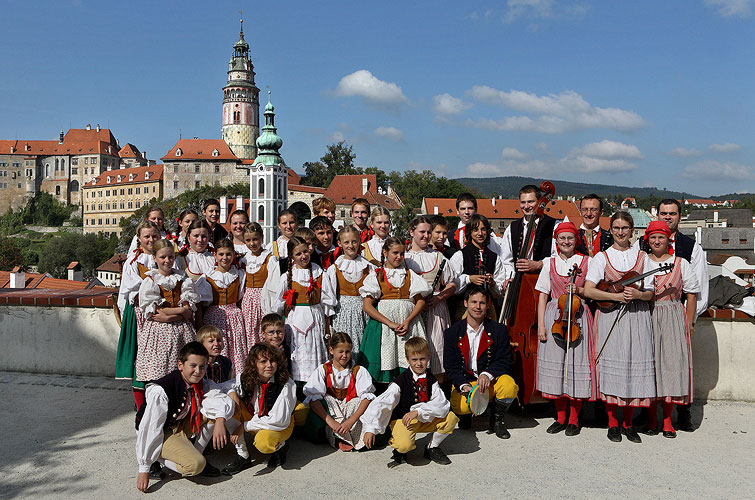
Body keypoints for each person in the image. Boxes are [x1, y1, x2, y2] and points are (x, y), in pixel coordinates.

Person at [584, 212, 656, 444]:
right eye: (616, 227)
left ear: (632, 230)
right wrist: (614, 297)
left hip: (636, 317)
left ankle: (628, 423)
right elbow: (589, 290)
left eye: (625, 228)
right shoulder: (601, 258)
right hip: (610, 316)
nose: (621, 232)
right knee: (612, 370)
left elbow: (650, 292)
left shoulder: (644, 257)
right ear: (611, 230)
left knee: (632, 369)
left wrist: (638, 294)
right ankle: (613, 423)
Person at [638, 199, 708, 432]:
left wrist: (689, 322)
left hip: (674, 316)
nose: (667, 217)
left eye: (672, 213)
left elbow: (696, 291)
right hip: (646, 314)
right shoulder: (641, 251)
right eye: (663, 213)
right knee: (649, 365)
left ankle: (680, 414)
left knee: (674, 366)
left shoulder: (691, 249)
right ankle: (647, 415)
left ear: (680, 215)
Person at [135, 342, 233, 492]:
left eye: (202, 366)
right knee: (195, 465)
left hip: (179, 424)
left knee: (215, 414)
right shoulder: (161, 391)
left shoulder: (202, 382)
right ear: (180, 365)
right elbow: (151, 428)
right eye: (193, 366)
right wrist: (144, 468)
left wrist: (220, 419)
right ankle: (158, 457)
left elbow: (219, 397)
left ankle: (196, 453)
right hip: (162, 432)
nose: (198, 371)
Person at [535, 222, 596, 436]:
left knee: (575, 367)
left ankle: (574, 418)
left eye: (570, 238)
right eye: (562, 238)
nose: (566, 242)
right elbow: (543, 294)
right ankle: (560, 417)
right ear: (556, 241)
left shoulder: (586, 262)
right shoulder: (549, 263)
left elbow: (592, 292)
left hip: (578, 317)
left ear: (576, 240)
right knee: (557, 367)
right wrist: (541, 323)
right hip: (555, 315)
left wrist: (578, 290)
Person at [361, 337, 459, 467]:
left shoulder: (431, 380)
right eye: (414, 360)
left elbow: (442, 403)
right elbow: (383, 403)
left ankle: (432, 447)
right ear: (408, 360)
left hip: (424, 418)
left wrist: (418, 412)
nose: (419, 363)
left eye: (422, 359)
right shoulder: (400, 381)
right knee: (404, 446)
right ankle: (399, 449)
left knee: (450, 418)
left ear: (428, 358)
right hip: (403, 420)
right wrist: (370, 428)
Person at [443, 286, 518, 439]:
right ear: (465, 303)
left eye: (482, 303)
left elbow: (505, 360)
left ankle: (497, 420)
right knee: (461, 406)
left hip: (490, 382)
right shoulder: (452, 332)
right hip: (467, 383)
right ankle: (466, 414)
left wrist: (487, 374)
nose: (478, 307)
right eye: (474, 302)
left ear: (488, 305)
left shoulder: (499, 330)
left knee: (509, 386)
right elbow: (450, 366)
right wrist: (464, 385)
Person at [359, 237, 432, 383]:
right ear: (385, 252)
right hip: (385, 327)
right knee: (387, 355)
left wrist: (408, 320)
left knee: (408, 355)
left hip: (408, 325)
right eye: (395, 253)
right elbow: (367, 306)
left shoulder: (409, 275)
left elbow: (420, 301)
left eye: (402, 254)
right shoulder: (377, 276)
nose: (399, 257)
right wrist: (389, 323)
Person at [222, 343, 297, 473]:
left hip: (280, 425)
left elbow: (278, 419)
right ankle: (243, 455)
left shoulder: (285, 384)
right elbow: (222, 387)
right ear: (254, 363)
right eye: (263, 361)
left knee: (263, 442)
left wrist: (244, 426)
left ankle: (281, 446)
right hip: (256, 419)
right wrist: (231, 394)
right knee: (228, 404)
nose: (269, 365)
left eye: (273, 361)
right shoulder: (247, 378)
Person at [136, 239, 200, 386]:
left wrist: (172, 316)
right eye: (162, 257)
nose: (167, 261)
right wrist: (180, 311)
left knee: (183, 369)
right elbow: (156, 311)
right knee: (160, 371)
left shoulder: (182, 279)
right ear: (154, 258)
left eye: (170, 257)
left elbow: (189, 310)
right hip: (158, 334)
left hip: (182, 332)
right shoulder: (151, 280)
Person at [273, 236, 333, 385]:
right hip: (295, 321)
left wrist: (327, 325)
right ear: (292, 256)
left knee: (316, 352)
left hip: (315, 318)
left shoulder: (320, 273)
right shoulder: (287, 276)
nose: (303, 256)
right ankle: (297, 387)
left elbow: (328, 300)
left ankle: (316, 386)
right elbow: (278, 303)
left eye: (305, 252)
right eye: (298, 254)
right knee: (297, 354)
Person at [404, 215, 457, 381]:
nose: (426, 236)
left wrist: (439, 297)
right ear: (411, 232)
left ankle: (437, 392)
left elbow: (451, 284)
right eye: (422, 232)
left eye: (428, 232)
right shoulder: (403, 257)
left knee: (436, 351)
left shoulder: (438, 257)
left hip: (435, 311)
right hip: (411, 310)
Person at [303, 332, 376, 451]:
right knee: (323, 400)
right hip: (331, 414)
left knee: (361, 402)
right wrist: (332, 423)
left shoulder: (358, 370)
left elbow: (367, 397)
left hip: (351, 412)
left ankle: (347, 436)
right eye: (340, 352)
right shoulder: (323, 370)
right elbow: (313, 399)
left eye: (347, 352)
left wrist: (351, 421)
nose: (345, 355)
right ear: (331, 350)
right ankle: (334, 434)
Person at [116, 220, 160, 409]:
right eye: (146, 236)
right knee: (141, 359)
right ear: (139, 239)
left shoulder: (164, 257)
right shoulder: (134, 262)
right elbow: (133, 290)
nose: (151, 240)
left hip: (161, 314)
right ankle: (141, 405)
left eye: (154, 236)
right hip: (142, 314)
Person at [196, 238, 248, 374]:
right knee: (216, 347)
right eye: (221, 254)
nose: (225, 258)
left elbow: (240, 297)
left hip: (234, 317)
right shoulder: (207, 277)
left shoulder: (239, 275)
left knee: (236, 349)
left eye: (228, 254)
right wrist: (200, 324)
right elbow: (200, 304)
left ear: (234, 255)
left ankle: (235, 379)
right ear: (215, 255)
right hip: (214, 316)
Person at [323, 225, 374, 357]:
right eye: (346, 242)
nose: (350, 245)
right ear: (339, 243)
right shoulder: (334, 269)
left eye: (354, 241)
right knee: (344, 347)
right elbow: (329, 298)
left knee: (363, 347)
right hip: (342, 314)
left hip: (363, 313)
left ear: (359, 242)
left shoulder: (368, 267)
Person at [448, 214, 506, 321]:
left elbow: (500, 290)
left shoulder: (494, 257)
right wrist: (468, 279)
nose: (480, 233)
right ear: (469, 232)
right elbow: (450, 283)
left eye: (483, 229)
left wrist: (492, 283)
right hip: (464, 308)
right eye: (475, 230)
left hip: (487, 307)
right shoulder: (460, 255)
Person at [500, 184, 558, 283]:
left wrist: (540, 264)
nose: (526, 206)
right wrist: (511, 277)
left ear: (539, 202)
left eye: (531, 202)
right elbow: (506, 260)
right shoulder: (512, 228)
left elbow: (559, 257)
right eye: (523, 202)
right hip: (518, 282)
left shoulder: (554, 226)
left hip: (546, 281)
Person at [239, 222, 275, 341]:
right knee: (250, 332)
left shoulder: (269, 258)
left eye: (255, 239)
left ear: (262, 238)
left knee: (264, 330)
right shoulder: (244, 260)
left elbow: (274, 284)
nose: (252, 243)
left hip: (264, 299)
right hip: (248, 302)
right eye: (248, 240)